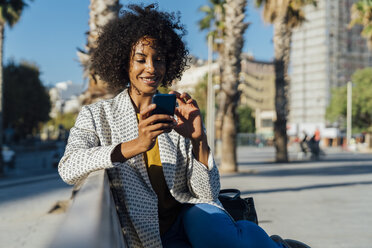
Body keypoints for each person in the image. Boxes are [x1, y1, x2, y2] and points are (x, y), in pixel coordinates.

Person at [58, 4, 310, 248]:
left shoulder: (178, 115)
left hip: (189, 218)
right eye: (141, 59)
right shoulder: (97, 115)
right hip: (149, 235)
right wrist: (137, 144)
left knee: (208, 224)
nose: (151, 68)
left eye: (159, 59)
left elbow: (206, 194)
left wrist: (198, 139)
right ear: (124, 63)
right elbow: (68, 167)